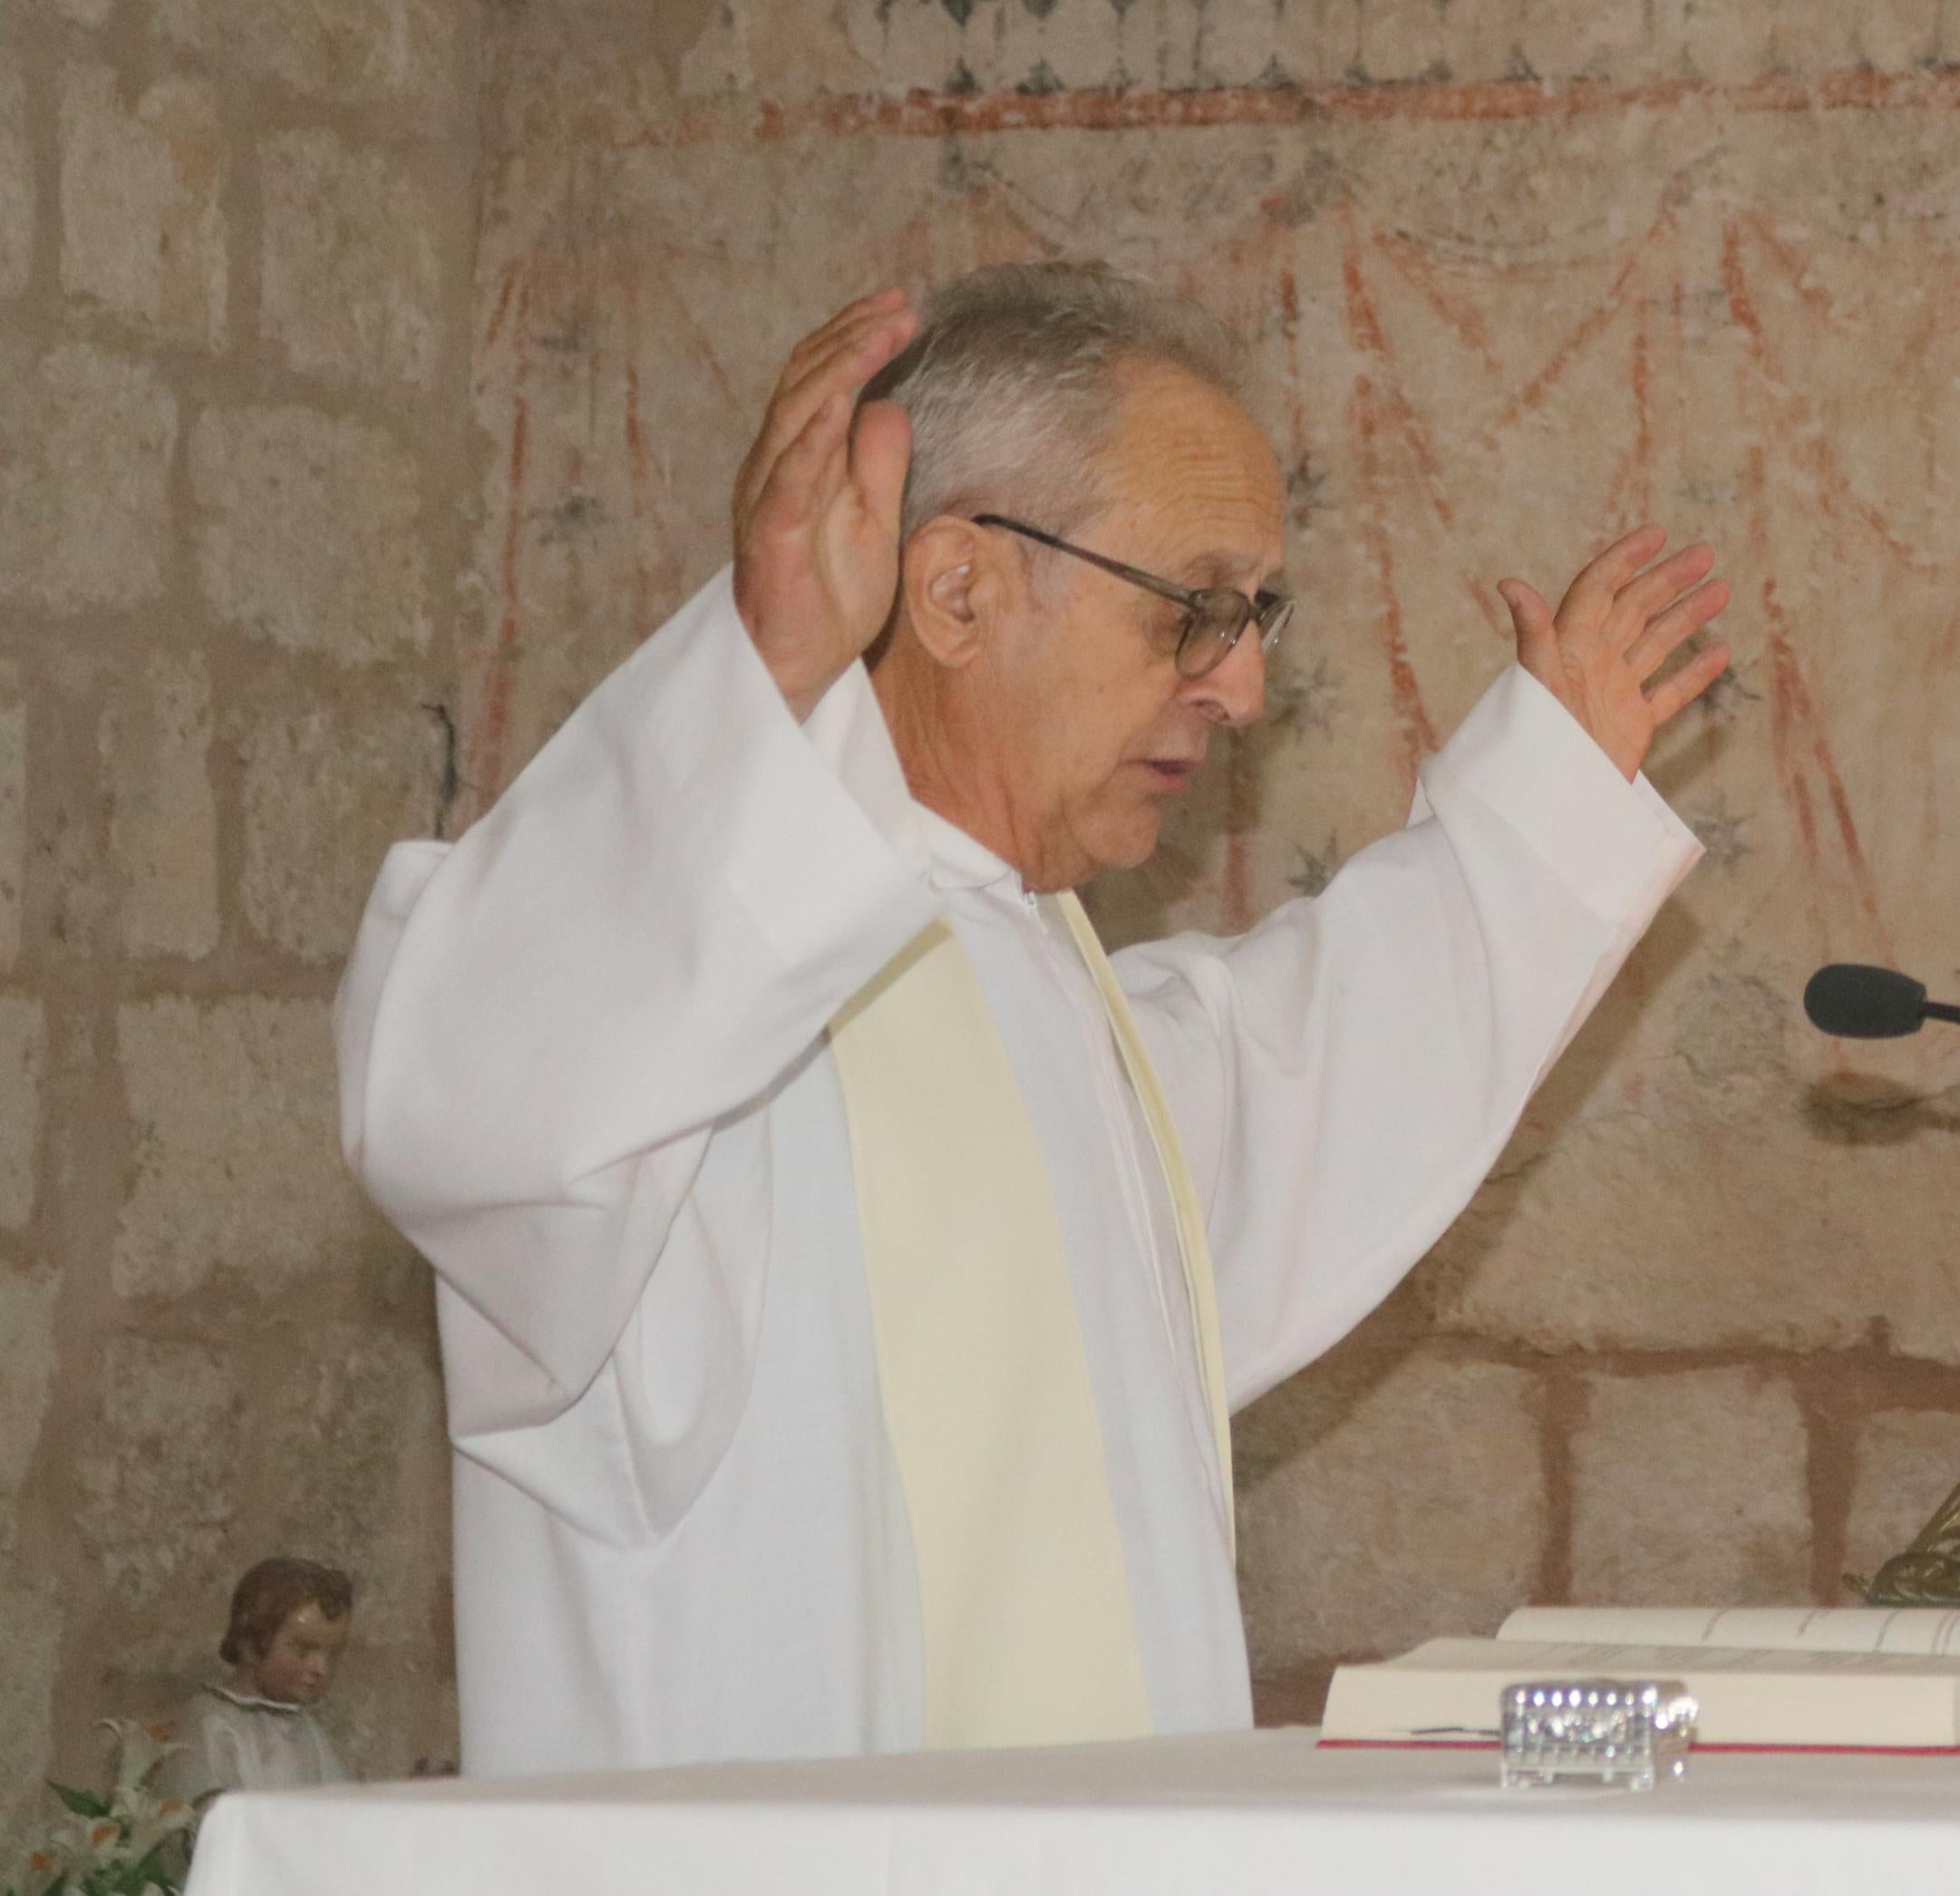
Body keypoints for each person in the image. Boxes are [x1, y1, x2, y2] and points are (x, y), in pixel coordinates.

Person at [340, 265, 1727, 1774]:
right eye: (1198, 610)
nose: (1243, 685)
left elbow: (1312, 1070)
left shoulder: (1051, 996)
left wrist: (1542, 811)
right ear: (954, 591)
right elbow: (464, 1100)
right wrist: (764, 661)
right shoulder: (681, 997)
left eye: (1257, 615)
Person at [160, 1561, 354, 1802]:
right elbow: (210, 1821)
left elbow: (340, 1807)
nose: (321, 1669)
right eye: (303, 1651)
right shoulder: (214, 1725)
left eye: (332, 1654)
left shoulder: (307, 1731)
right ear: (251, 1646)